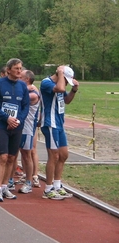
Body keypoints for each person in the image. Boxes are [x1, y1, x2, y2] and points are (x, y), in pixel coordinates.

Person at [0, 58, 30, 202]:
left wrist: (18, 120)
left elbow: (25, 106)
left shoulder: (23, 86)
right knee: (3, 157)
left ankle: (6, 185)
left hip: (17, 125)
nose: (19, 71)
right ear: (9, 70)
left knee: (12, 158)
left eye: (20, 68)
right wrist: (7, 118)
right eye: (16, 68)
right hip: (2, 125)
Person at [40, 65, 79, 200]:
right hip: (50, 124)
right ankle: (48, 188)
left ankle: (57, 185)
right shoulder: (47, 83)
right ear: (59, 74)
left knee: (63, 155)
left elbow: (66, 100)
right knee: (54, 156)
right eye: (66, 80)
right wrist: (61, 74)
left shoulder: (61, 84)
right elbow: (60, 89)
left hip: (59, 124)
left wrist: (74, 90)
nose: (67, 83)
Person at [18, 70, 40, 194]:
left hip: (27, 127)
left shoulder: (32, 94)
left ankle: (30, 180)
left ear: (26, 79)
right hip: (19, 126)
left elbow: (19, 97)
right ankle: (22, 176)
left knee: (28, 153)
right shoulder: (28, 89)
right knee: (18, 153)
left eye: (20, 77)